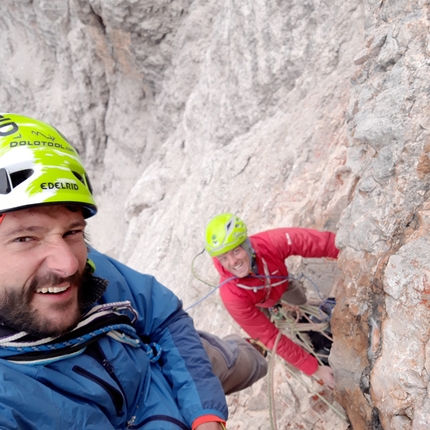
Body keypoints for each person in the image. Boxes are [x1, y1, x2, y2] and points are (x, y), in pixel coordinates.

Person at [0, 114, 267, 430]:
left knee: (245, 361)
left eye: (73, 232)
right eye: (25, 238)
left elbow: (163, 315)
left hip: (152, 366)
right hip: (153, 384)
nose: (69, 265)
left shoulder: (93, 266)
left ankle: (257, 352)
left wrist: (205, 412)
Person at [204, 213, 340, 388]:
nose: (233, 262)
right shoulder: (232, 296)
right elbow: (270, 336)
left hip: (279, 284)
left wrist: (346, 252)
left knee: (300, 300)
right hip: (257, 303)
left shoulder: (269, 243)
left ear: (246, 245)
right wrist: (314, 368)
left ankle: (291, 311)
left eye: (236, 251)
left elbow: (311, 242)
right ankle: (281, 320)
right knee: (266, 336)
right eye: (224, 258)